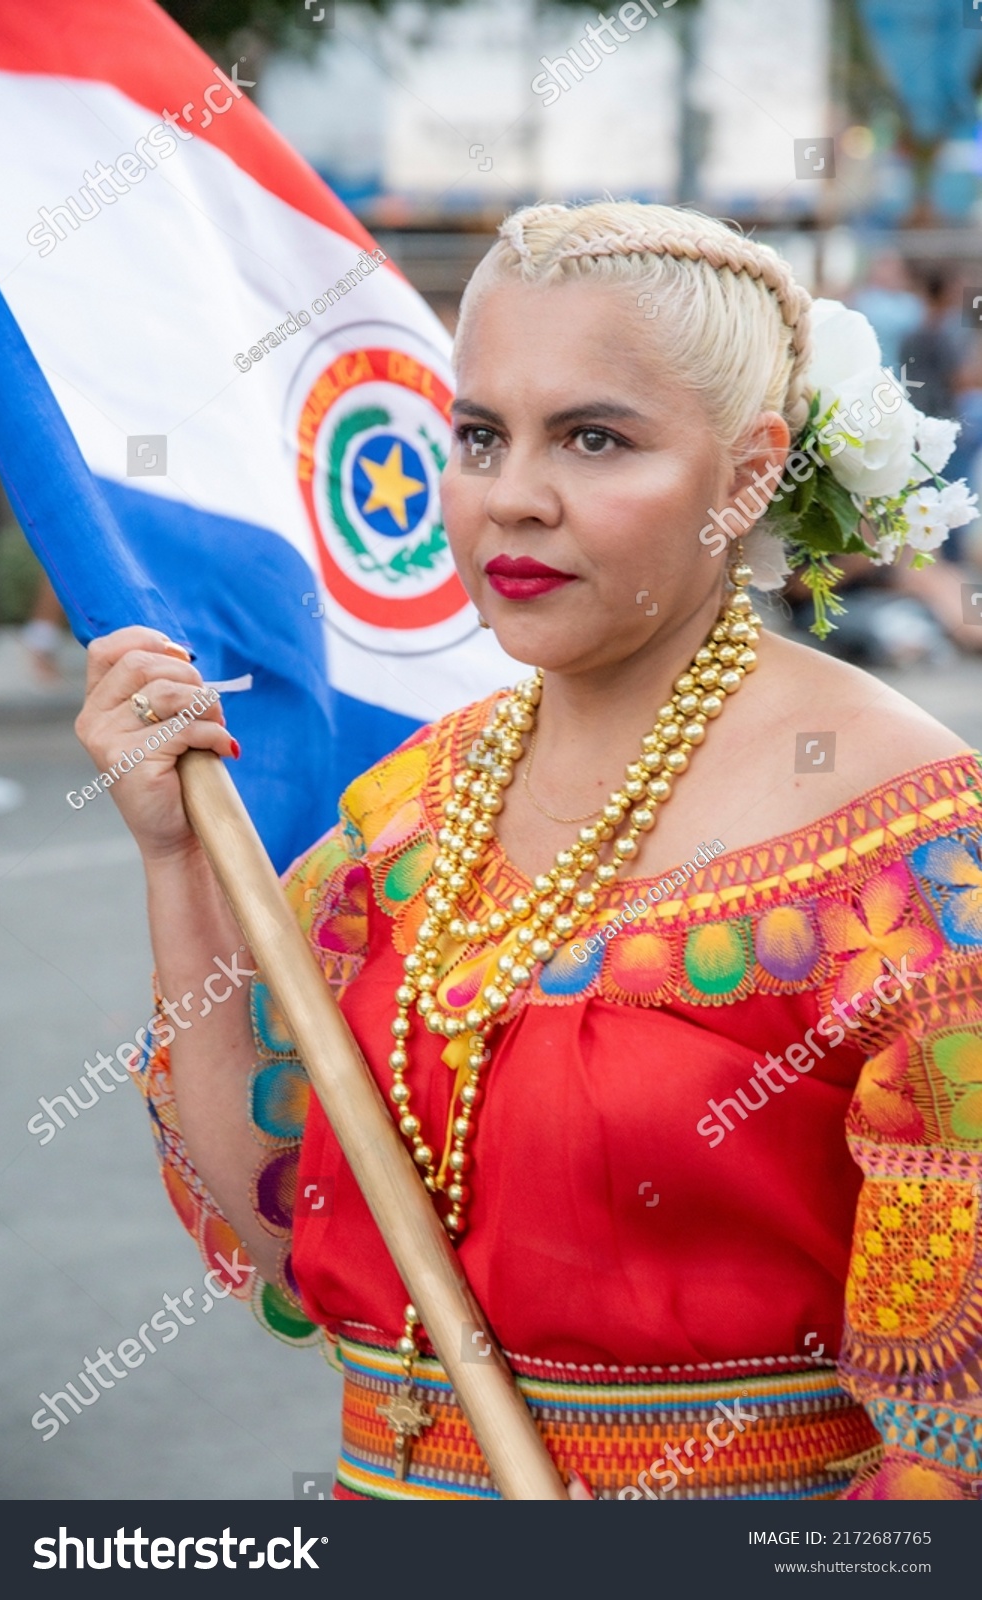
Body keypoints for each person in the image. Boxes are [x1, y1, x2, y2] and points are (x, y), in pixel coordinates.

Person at [75, 202, 982, 1502]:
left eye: (594, 439)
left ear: (742, 474)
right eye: (481, 436)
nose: (512, 500)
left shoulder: (912, 855)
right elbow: (284, 1216)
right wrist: (175, 861)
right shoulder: (409, 809)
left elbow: (951, 1445)